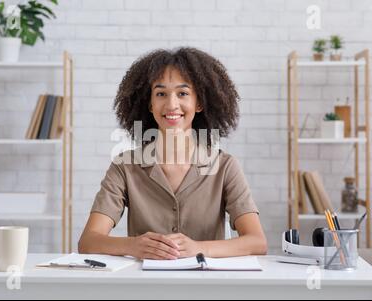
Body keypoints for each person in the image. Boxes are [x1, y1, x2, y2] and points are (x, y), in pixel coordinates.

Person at [78, 47, 267, 260]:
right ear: (150, 104)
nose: (171, 104)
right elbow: (88, 241)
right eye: (161, 94)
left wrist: (200, 248)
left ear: (199, 103)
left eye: (183, 93)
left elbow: (256, 241)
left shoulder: (225, 166)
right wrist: (132, 246)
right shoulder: (124, 166)